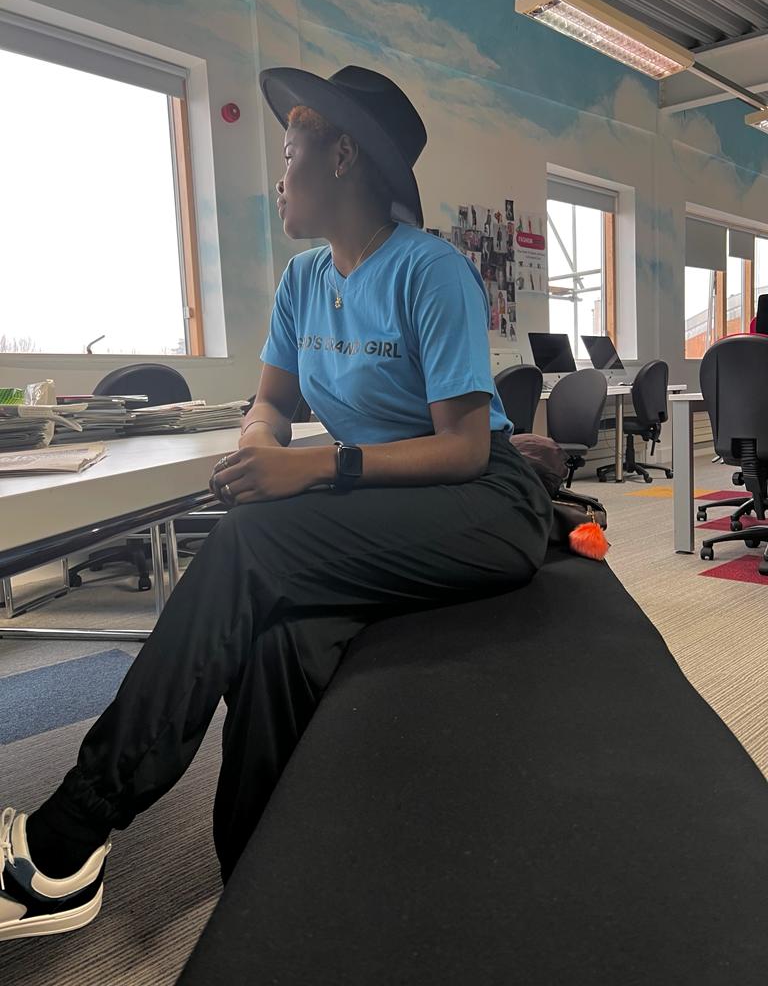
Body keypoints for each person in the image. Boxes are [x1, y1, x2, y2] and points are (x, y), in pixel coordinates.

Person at [0, 65, 552, 941]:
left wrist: (320, 469)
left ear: (341, 157)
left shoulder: (431, 271)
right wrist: (262, 440)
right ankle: (264, 883)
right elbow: (271, 403)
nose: (277, 177)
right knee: (276, 638)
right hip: (388, 507)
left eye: (289, 153)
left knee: (254, 548)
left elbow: (464, 446)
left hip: (483, 505)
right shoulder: (302, 283)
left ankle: (70, 835)